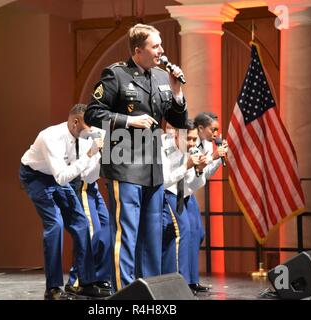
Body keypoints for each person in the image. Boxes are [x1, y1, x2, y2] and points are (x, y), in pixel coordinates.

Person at [84, 23, 188, 291]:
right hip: (125, 165)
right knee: (127, 233)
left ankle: (148, 289)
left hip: (153, 167)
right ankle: (125, 292)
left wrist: (177, 92)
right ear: (138, 50)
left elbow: (178, 120)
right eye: (156, 46)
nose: (161, 51)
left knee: (152, 235)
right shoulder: (116, 74)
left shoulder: (162, 78)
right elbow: (92, 113)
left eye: (161, 45)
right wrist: (129, 121)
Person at [19, 104, 110, 300]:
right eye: (89, 125)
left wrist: (97, 155)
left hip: (60, 176)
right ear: (75, 122)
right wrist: (89, 154)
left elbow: (87, 173)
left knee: (81, 223)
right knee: (56, 225)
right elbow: (62, 177)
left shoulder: (85, 136)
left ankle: (85, 283)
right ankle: (52, 288)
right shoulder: (50, 137)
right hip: (36, 176)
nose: (92, 130)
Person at [161, 120, 208, 289]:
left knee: (196, 232)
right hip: (167, 194)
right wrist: (186, 166)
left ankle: (191, 280)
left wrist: (199, 170)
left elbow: (193, 185)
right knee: (182, 232)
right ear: (177, 135)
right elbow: (165, 181)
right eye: (188, 139)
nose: (192, 143)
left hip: (183, 194)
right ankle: (180, 282)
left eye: (194, 139)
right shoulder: (163, 149)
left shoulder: (192, 150)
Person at [65, 126, 112, 295]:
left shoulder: (108, 131)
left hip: (93, 187)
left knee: (107, 230)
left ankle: (98, 277)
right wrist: (100, 155)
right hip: (83, 186)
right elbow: (86, 173)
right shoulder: (87, 134)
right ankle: (76, 280)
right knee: (91, 232)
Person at [187, 111, 228, 293]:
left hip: (190, 193)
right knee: (187, 235)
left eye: (217, 130)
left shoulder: (206, 145)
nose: (216, 134)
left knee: (198, 233)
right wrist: (213, 157)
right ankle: (185, 280)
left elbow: (204, 175)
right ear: (201, 128)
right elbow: (193, 172)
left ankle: (193, 279)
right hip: (179, 192)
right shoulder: (190, 143)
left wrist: (219, 159)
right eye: (213, 129)